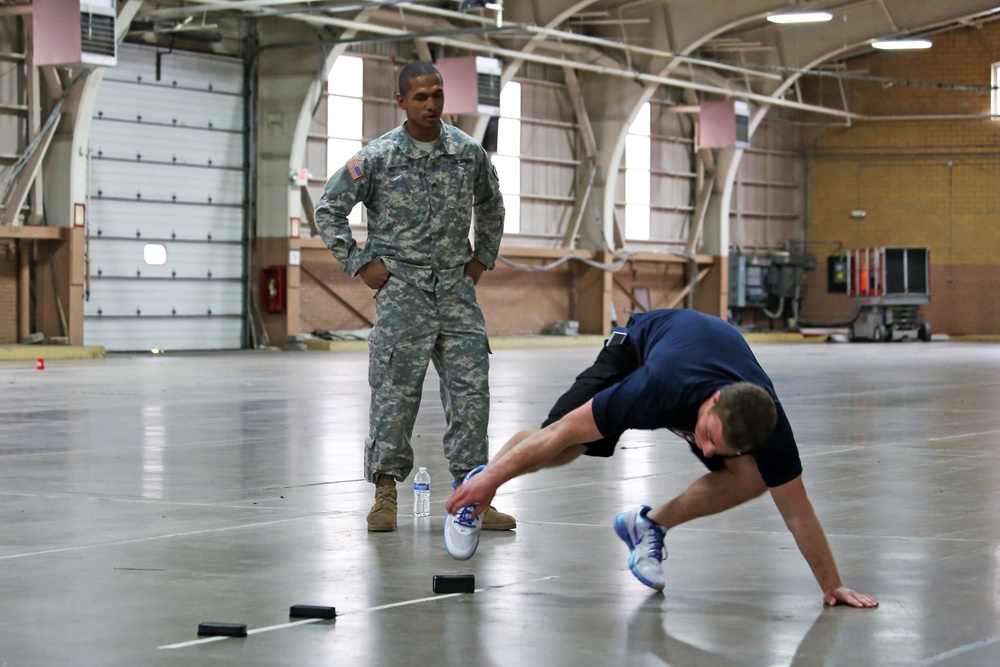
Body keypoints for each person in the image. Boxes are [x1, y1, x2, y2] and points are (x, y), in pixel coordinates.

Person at [446, 308, 879, 608]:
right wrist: (493, 482)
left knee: (753, 477)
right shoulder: (654, 388)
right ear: (712, 401)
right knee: (565, 447)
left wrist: (833, 585)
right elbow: (561, 433)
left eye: (718, 450)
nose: (704, 451)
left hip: (703, 358)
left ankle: (648, 525)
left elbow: (798, 512)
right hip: (638, 348)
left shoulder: (768, 427)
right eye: (707, 436)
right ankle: (476, 488)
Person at [314, 61, 515, 534]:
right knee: (394, 394)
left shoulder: (467, 153)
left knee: (471, 397)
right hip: (403, 293)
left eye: (437, 95)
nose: (431, 104)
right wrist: (361, 263)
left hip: (456, 293)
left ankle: (474, 497)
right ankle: (385, 494)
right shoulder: (379, 157)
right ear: (400, 101)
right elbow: (329, 210)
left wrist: (482, 258)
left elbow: (492, 204)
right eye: (420, 97)